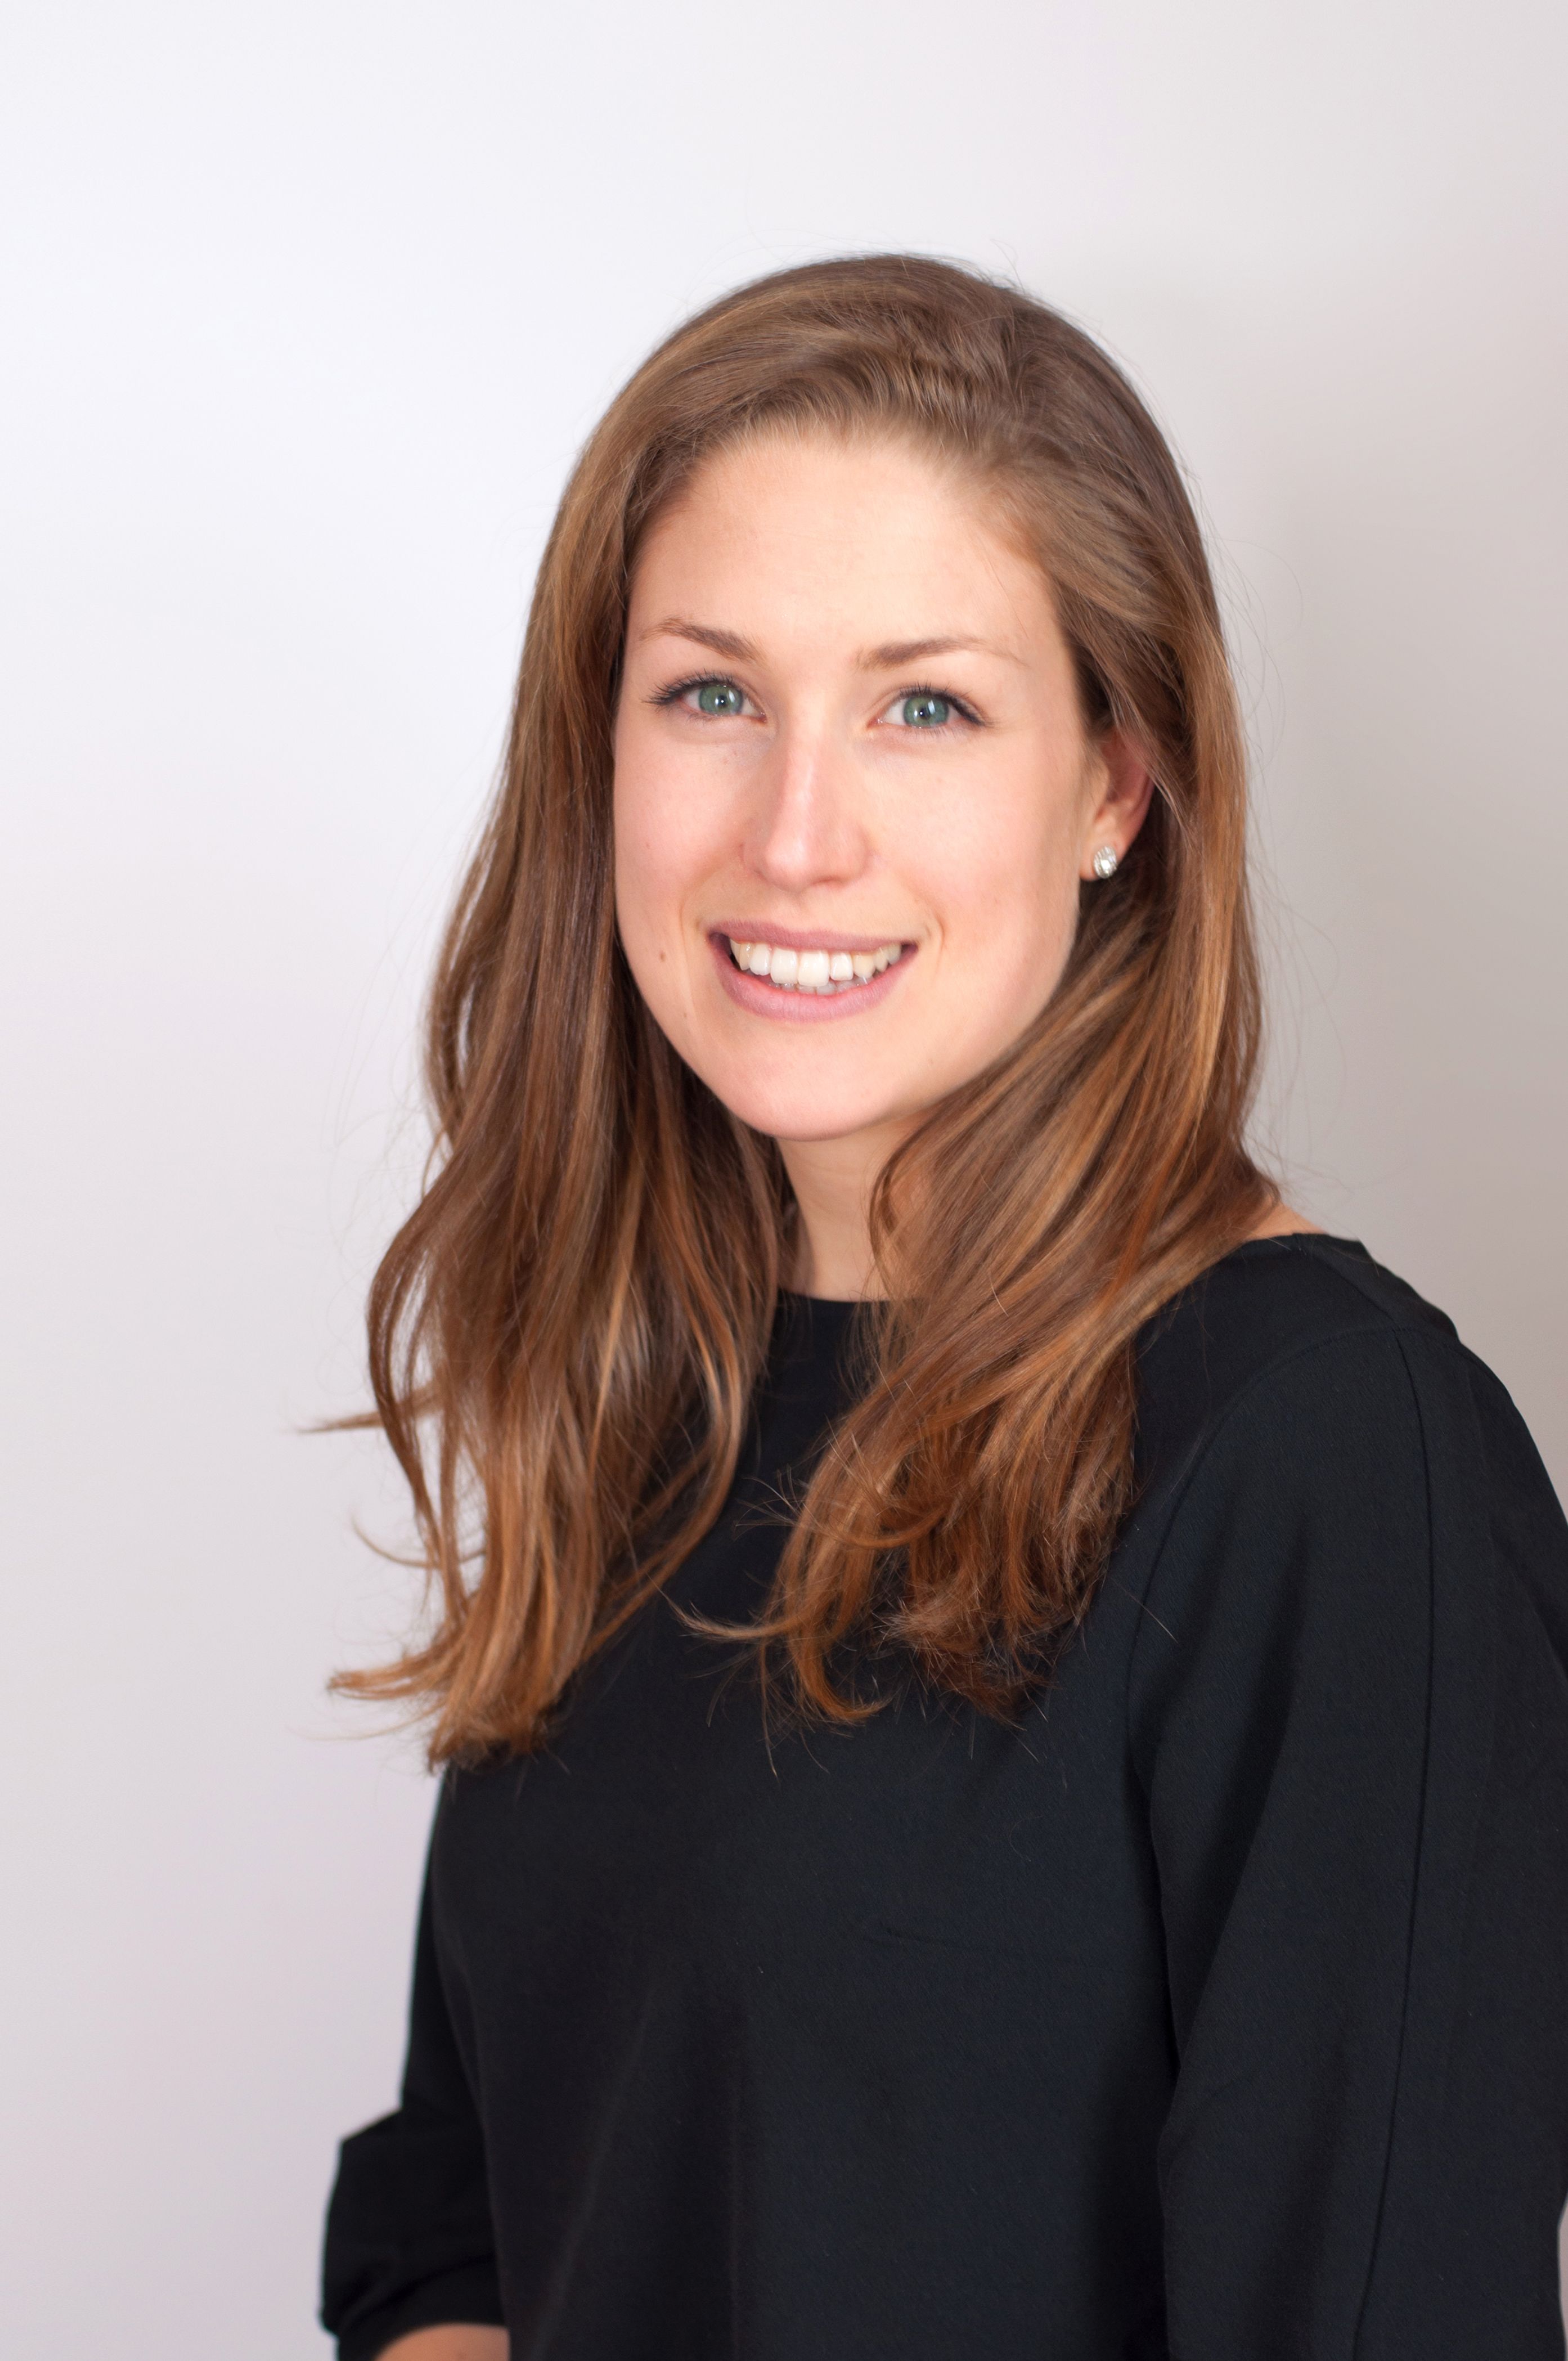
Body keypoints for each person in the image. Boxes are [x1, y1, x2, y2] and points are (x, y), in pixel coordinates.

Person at [320, 256, 1568, 2361]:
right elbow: (473, 2222)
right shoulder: (659, 1397)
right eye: (712, 692)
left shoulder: (1336, 1472)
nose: (797, 834)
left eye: (928, 704)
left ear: (1114, 787)